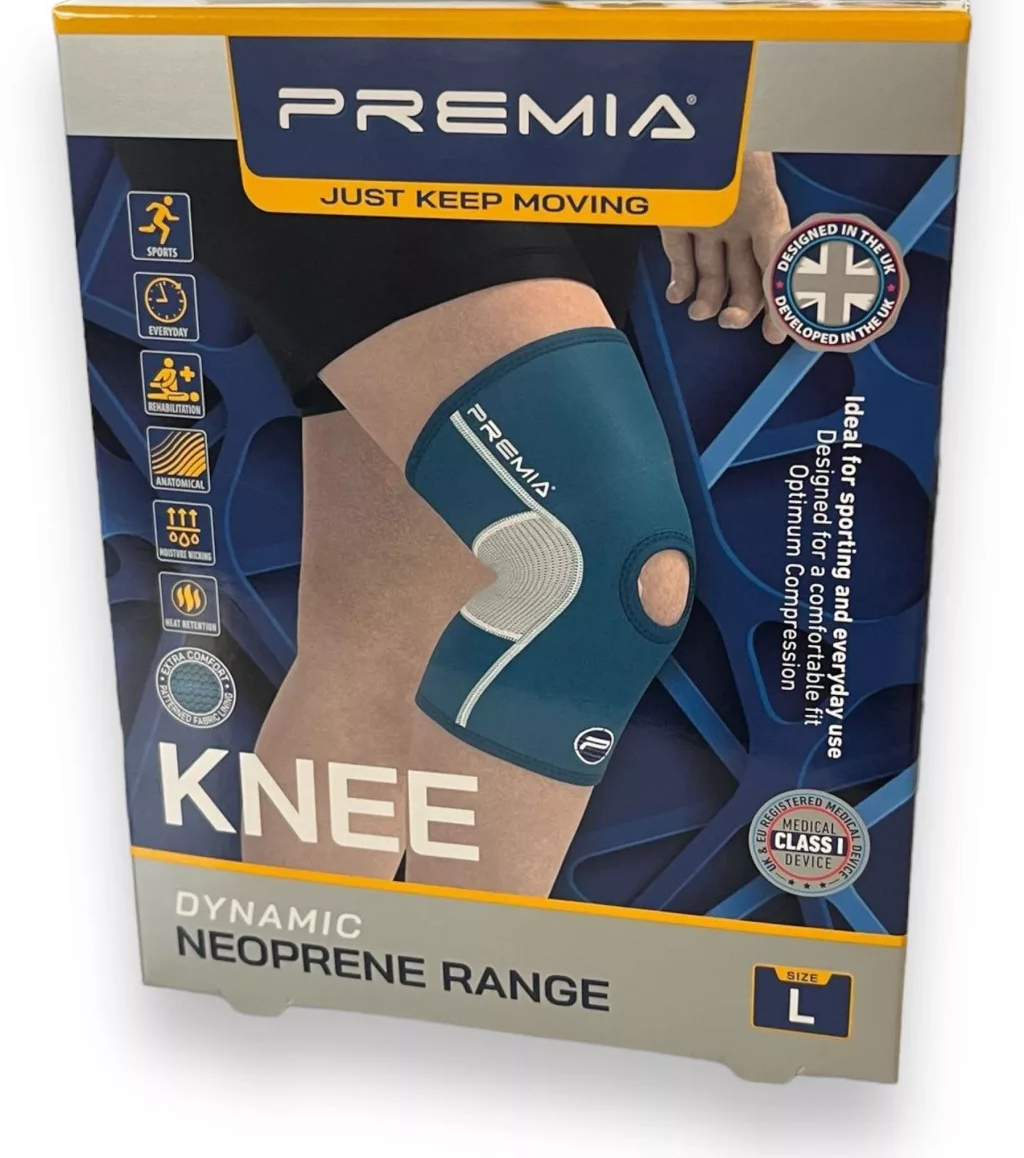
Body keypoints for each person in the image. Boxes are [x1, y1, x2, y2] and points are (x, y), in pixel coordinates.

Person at [116, 139, 790, 896]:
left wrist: (723, 125)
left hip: (567, 99)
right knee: (597, 567)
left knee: (387, 631)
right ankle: (478, 961)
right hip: (353, 92)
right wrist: (726, 133)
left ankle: (321, 958)